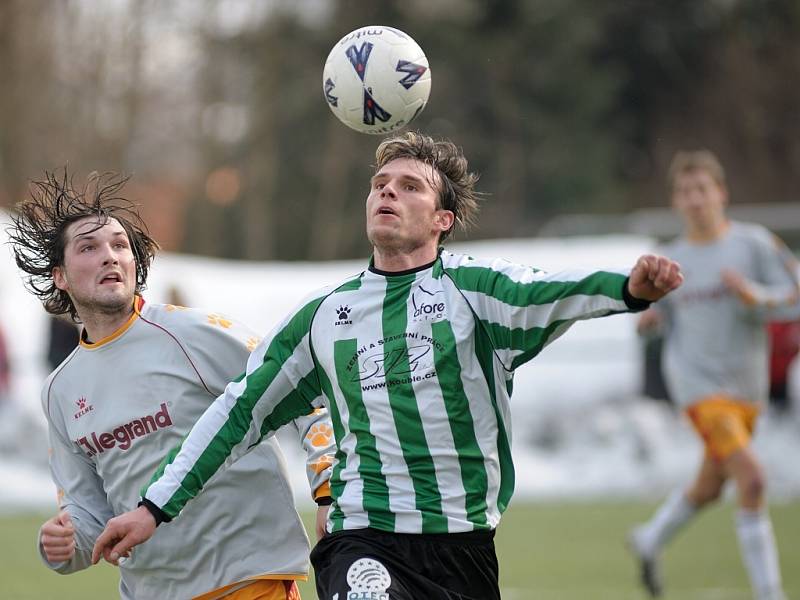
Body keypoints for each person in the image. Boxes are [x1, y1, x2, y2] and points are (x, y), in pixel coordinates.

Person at [92, 132, 683, 600]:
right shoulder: (326, 317)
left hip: (463, 547)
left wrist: (628, 288)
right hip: (362, 537)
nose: (387, 193)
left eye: (408, 186)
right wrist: (153, 507)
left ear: (442, 219)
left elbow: (552, 292)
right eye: (379, 183)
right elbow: (238, 411)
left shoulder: (476, 294)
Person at [8, 169, 335, 600]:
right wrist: (64, 545)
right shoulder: (60, 390)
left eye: (120, 245)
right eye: (89, 247)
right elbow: (86, 513)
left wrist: (330, 488)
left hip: (250, 578)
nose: (110, 256)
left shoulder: (194, 333)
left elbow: (306, 392)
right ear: (60, 277)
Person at [628, 150, 800, 600]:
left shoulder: (754, 244)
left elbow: (796, 296)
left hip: (746, 391)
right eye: (685, 192)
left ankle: (649, 540)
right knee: (754, 479)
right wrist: (649, 323)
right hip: (697, 389)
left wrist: (754, 297)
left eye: (702, 189)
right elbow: (655, 318)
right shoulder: (669, 259)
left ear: (721, 193)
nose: (695, 199)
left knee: (709, 486)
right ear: (675, 203)